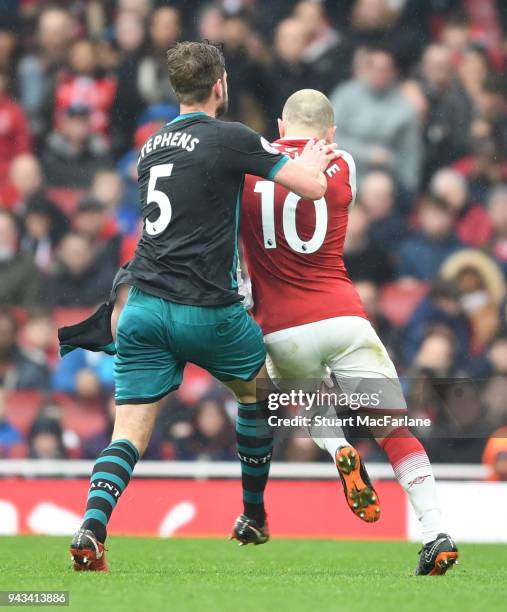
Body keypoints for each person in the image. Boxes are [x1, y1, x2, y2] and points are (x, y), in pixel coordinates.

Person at [66, 41, 339, 571]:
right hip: (207, 309)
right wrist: (312, 157)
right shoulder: (229, 136)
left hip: (142, 306)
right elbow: (310, 190)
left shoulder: (149, 147)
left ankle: (92, 529)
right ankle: (254, 516)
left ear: (176, 89)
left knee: (129, 434)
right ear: (220, 86)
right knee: (258, 392)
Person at [241, 89, 458, 575]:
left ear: (280, 126)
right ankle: (436, 531)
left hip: (282, 327)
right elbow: (319, 186)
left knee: (313, 402)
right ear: (331, 132)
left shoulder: (249, 167)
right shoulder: (346, 163)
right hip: (344, 316)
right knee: (392, 428)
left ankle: (339, 448)